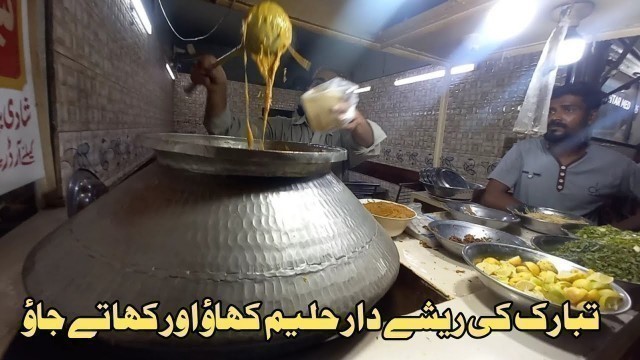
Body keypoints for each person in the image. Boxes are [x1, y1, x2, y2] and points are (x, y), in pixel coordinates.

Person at [189, 55, 387, 178]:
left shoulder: (343, 137)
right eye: (316, 82)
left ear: (343, 97)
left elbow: (367, 144)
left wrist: (358, 123)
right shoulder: (278, 127)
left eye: (330, 86)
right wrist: (217, 89)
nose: (320, 89)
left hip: (329, 220)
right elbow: (225, 130)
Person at [481, 82, 640, 230]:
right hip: (524, 235)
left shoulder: (616, 164)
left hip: (577, 247)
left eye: (568, 109)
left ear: (591, 116)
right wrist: (537, 218)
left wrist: (611, 235)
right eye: (551, 111)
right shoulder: (524, 150)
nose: (556, 117)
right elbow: (492, 195)